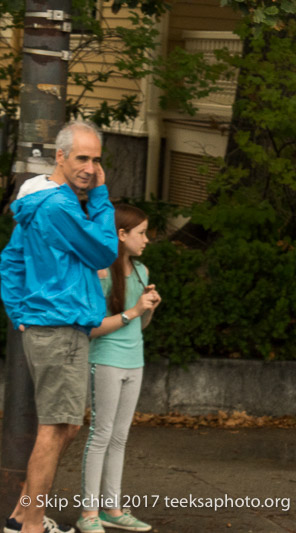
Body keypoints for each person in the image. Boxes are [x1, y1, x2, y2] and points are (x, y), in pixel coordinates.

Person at [0, 121, 118, 533]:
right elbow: (105, 247)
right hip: (61, 327)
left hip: (52, 325)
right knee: (56, 429)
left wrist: (20, 313)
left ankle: (21, 514)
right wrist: (102, 196)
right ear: (61, 157)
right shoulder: (59, 206)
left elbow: (11, 259)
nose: (91, 168)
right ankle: (31, 524)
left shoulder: (38, 201)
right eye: (82, 158)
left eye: (97, 160)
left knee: (67, 424)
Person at [75, 205, 161, 533]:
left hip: (134, 361)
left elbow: (139, 326)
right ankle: (88, 514)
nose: (146, 239)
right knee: (101, 435)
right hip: (106, 360)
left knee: (120, 437)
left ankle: (112, 509)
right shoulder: (100, 273)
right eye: (141, 233)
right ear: (121, 235)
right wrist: (132, 310)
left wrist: (148, 308)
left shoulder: (142, 271)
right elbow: (92, 327)